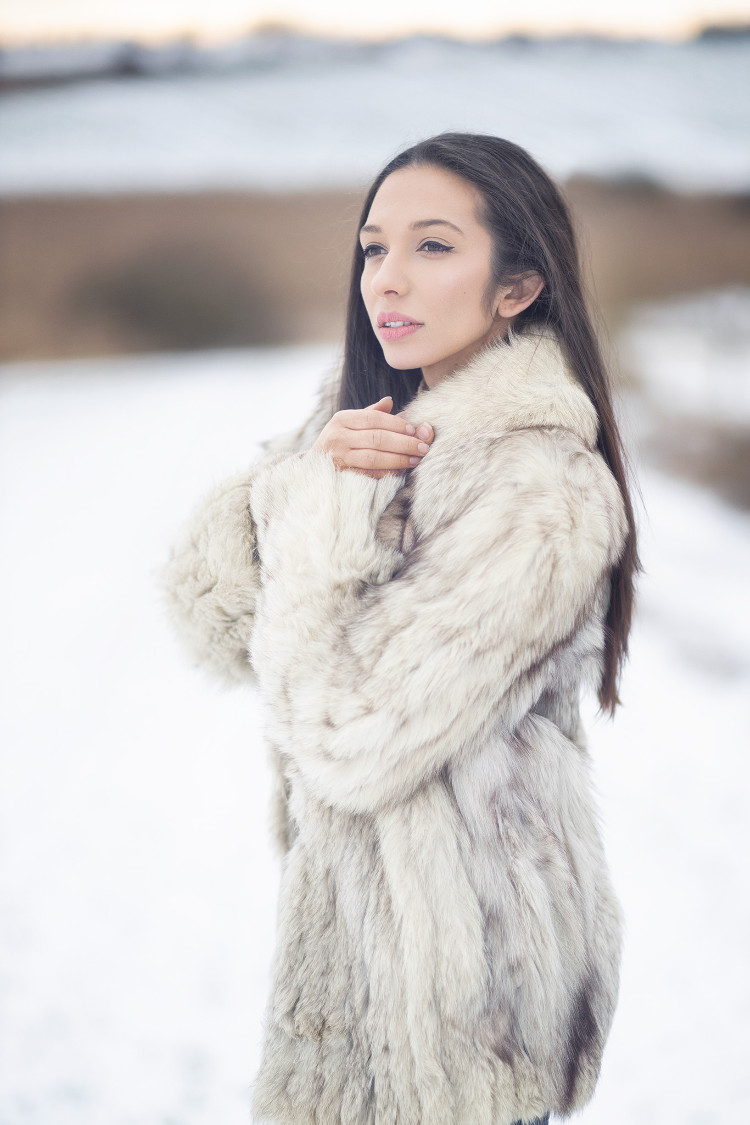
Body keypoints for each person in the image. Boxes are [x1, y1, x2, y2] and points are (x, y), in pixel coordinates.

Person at [162, 132, 640, 1125]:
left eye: (433, 246)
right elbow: (212, 617)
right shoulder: (366, 430)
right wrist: (306, 482)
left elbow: (350, 732)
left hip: (471, 1001)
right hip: (351, 977)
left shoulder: (542, 487)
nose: (387, 277)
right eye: (374, 247)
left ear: (517, 287)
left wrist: (317, 508)